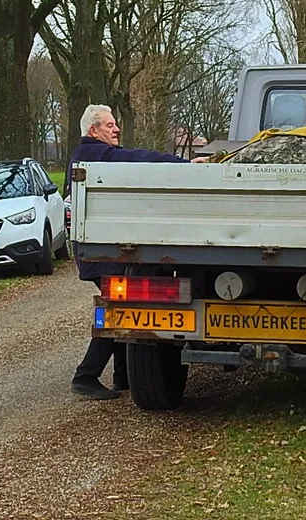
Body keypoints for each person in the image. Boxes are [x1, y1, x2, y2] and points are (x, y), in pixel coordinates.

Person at [67, 104, 207, 400]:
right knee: (120, 311)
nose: (116, 129)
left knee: (123, 306)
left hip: (99, 253)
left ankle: (122, 378)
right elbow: (139, 159)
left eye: (115, 124)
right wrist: (183, 165)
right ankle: (86, 376)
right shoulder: (96, 153)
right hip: (100, 255)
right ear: (93, 131)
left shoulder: (91, 154)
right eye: (109, 125)